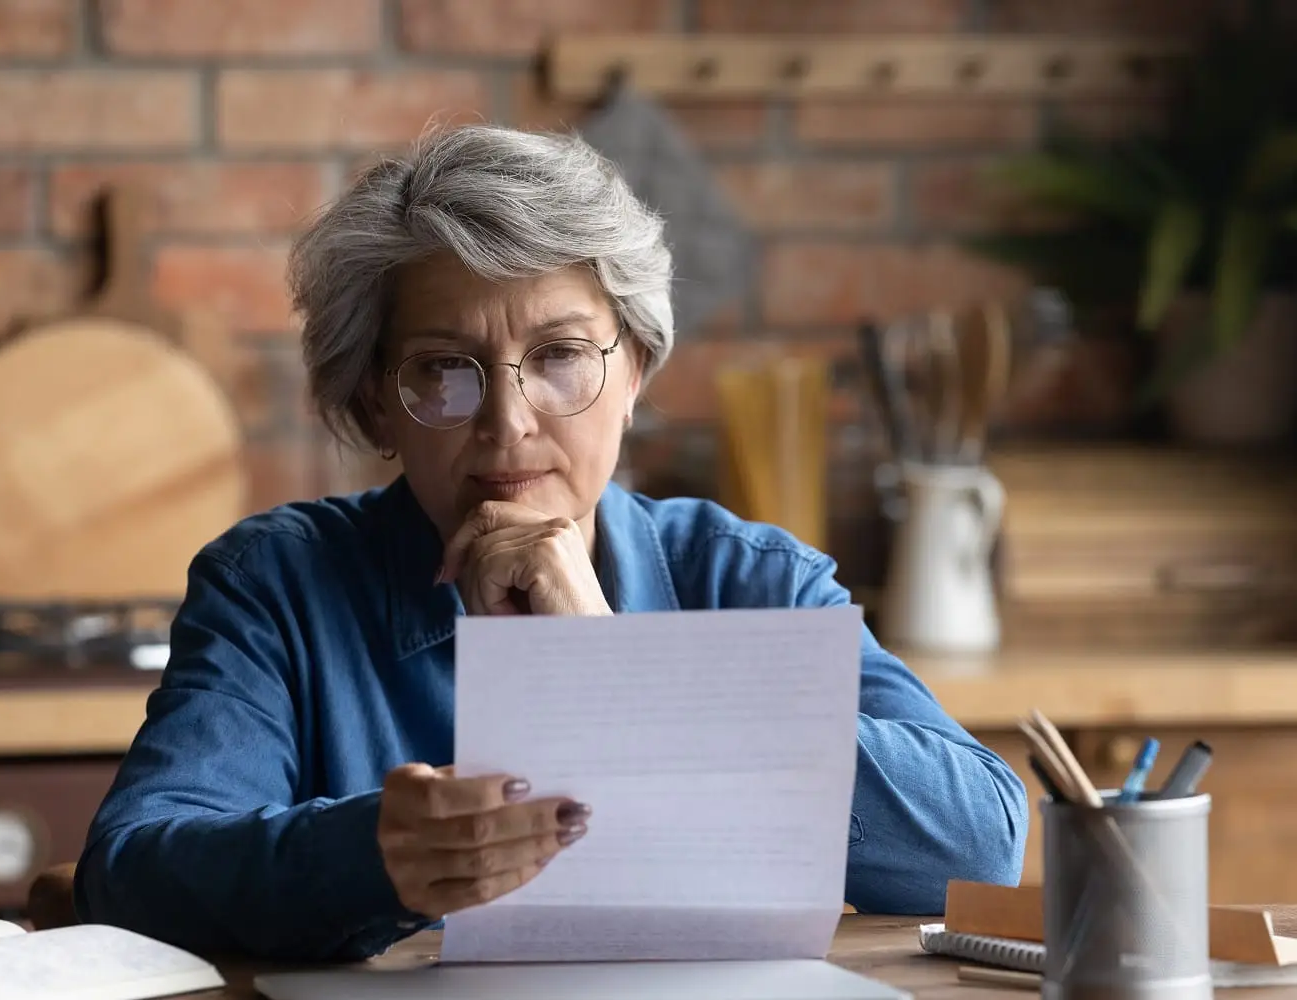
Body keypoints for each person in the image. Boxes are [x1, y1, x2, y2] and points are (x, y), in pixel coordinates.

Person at [73, 123, 1028, 963]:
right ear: (376, 404)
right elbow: (128, 873)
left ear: (635, 370)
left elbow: (977, 846)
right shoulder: (277, 584)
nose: (508, 423)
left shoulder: (746, 575)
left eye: (561, 358)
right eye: (445, 370)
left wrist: (625, 665)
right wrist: (371, 859)